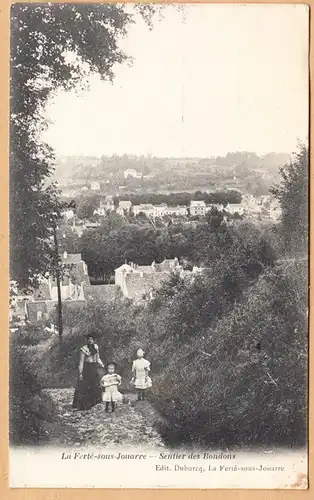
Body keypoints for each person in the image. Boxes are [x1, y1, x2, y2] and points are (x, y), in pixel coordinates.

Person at [72, 334, 104, 411]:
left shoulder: (96, 347)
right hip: (87, 368)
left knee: (95, 384)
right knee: (85, 386)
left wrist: (101, 364)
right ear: (86, 340)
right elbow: (81, 361)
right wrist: (80, 373)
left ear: (94, 340)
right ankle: (85, 405)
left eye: (92, 339)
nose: (90, 340)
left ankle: (94, 403)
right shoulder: (83, 349)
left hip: (94, 367)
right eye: (88, 339)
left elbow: (97, 357)